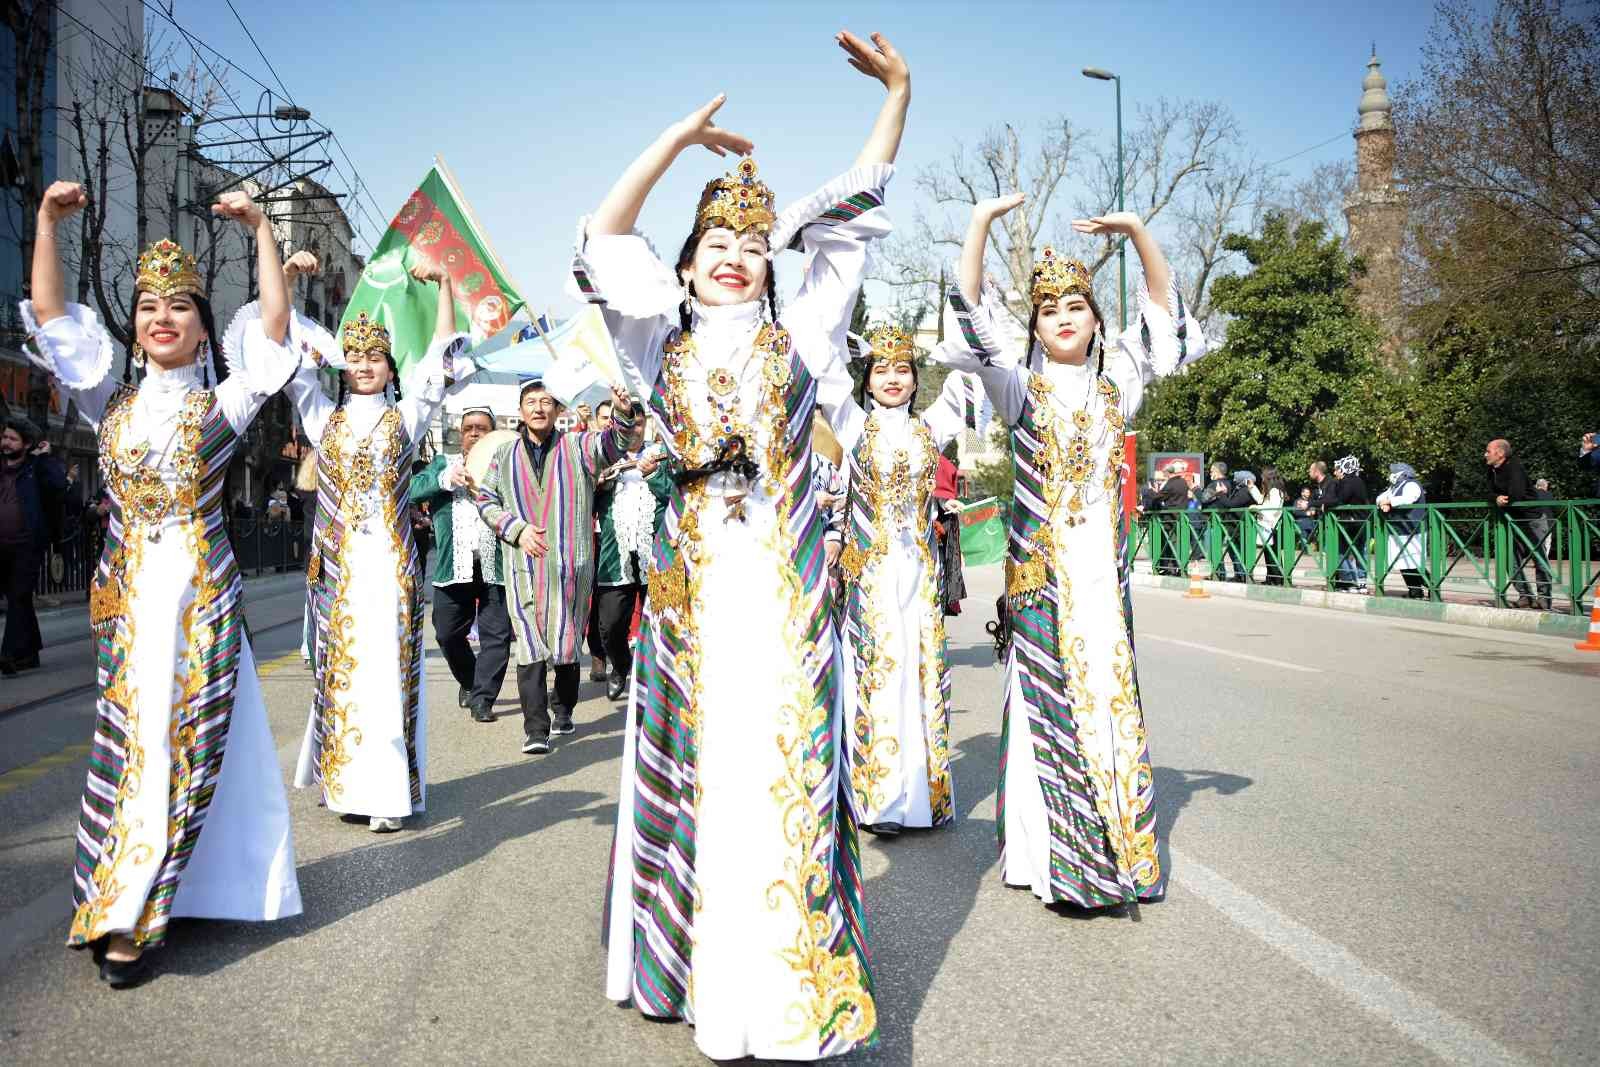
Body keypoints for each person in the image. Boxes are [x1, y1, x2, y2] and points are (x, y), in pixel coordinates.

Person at [576, 29, 907, 1059]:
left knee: (785, 772)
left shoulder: (803, 339)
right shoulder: (655, 343)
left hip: (780, 594)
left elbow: (854, 210)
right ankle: (692, 966)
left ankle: (789, 977)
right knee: (697, 774)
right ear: (684, 264)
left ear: (772, 266)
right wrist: (674, 144)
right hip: (689, 602)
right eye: (714, 242)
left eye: (753, 244)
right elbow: (602, 236)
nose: (733, 251)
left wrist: (897, 93)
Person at [22, 180, 302, 986]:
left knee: (182, 750)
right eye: (148, 305)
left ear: (205, 327)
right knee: (126, 750)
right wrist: (45, 223)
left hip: (199, 599)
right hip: (123, 600)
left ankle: (136, 913)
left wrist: (261, 233)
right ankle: (121, 894)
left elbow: (276, 326)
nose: (162, 316)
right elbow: (50, 319)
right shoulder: (105, 401)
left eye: (181, 305)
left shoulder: (226, 402)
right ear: (134, 324)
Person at [933, 182, 1208, 912]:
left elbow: (1160, 305)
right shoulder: (1018, 387)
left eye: (1076, 306)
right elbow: (969, 307)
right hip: (1041, 577)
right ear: (1036, 322)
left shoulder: (1117, 380)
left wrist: (1139, 229)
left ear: (1094, 317)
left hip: (1101, 577)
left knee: (1111, 700)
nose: (1063, 318)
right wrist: (981, 221)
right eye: (1049, 309)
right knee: (1045, 704)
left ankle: (1116, 843)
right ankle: (1058, 857)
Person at [288, 261, 475, 834]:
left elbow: (442, 361)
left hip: (391, 568)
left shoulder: (404, 419)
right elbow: (292, 361)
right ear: (344, 366)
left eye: (376, 358)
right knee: (344, 675)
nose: (364, 366)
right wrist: (292, 286)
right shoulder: (324, 420)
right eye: (356, 358)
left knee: (388, 675)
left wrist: (444, 284)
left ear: (391, 367)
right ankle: (346, 784)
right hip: (342, 572)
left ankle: (389, 793)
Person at [818, 325, 980, 836]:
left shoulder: (930, 428)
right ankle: (877, 799)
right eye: (881, 369)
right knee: (877, 674)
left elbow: (974, 377)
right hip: (869, 575)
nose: (892, 378)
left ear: (915, 381)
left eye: (903, 369)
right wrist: (847, 341)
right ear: (866, 379)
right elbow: (820, 365)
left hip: (919, 574)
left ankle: (922, 799)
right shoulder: (851, 423)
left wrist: (976, 311)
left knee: (919, 673)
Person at [475, 378, 633, 755]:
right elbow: (485, 499)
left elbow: (614, 445)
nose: (539, 408)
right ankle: (535, 729)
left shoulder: (578, 447)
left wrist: (623, 414)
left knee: (565, 644)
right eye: (531, 402)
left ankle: (564, 708)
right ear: (521, 410)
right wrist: (516, 530)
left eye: (547, 402)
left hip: (569, 568)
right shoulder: (504, 456)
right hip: (524, 566)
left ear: (558, 410)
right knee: (529, 647)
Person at [409, 408, 514, 724]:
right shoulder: (444, 463)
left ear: (493, 433)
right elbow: (412, 489)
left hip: (495, 566)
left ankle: (482, 698)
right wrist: (444, 480)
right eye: (469, 428)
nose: (474, 433)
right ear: (460, 433)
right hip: (453, 568)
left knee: (497, 636)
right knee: (446, 633)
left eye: (482, 428)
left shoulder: (507, 465)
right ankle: (470, 681)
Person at [593, 418, 672, 702]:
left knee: (661, 623)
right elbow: (581, 503)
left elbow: (679, 498)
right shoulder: (602, 459)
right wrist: (596, 485)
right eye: (626, 425)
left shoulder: (663, 456)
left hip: (657, 554)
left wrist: (654, 476)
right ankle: (621, 665)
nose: (632, 431)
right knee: (611, 625)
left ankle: (659, 681)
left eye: (637, 425)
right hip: (616, 557)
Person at [0, 416, 66, 674]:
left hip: (26, 546)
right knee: (21, 600)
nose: (5, 442)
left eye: (12, 439)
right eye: (4, 437)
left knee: (17, 596)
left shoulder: (36, 468)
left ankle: (8, 654)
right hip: (1, 547)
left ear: (27, 444)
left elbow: (59, 485)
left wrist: (46, 457)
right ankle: (30, 651)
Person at [1485, 438, 1552, 609]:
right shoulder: (1491, 470)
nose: (1485, 455)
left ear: (1500, 453)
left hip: (1532, 518)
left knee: (1539, 557)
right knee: (1509, 558)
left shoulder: (1514, 466)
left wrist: (1501, 499)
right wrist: (1496, 498)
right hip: (1512, 519)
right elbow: (1487, 493)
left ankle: (1544, 597)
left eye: (1488, 451)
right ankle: (1525, 595)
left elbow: (1517, 493)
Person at [585, 399, 616, 682]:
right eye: (604, 417)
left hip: (612, 539)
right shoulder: (584, 449)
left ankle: (601, 655)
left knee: (605, 599)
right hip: (583, 535)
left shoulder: (628, 452)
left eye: (613, 417)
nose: (609, 421)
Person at [1376, 462, 1427, 599]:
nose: (1391, 475)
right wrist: (1384, 502)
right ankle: (1415, 591)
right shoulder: (1395, 486)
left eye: (1393, 472)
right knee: (1402, 562)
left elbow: (1409, 498)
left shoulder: (1412, 484)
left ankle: (1431, 586)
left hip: (1413, 529)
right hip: (1399, 530)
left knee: (1414, 562)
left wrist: (1390, 502)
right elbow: (1380, 497)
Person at [1320, 456, 1370, 592]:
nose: (1335, 473)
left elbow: (1340, 499)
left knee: (1338, 550)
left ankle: (1349, 580)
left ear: (1345, 468)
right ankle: (1361, 581)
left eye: (1337, 469)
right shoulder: (1359, 481)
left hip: (1350, 521)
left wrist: (1322, 503)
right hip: (1361, 520)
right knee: (1360, 550)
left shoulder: (1348, 481)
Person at [1250, 466, 1289, 586]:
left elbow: (1271, 509)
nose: (1261, 478)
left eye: (1263, 475)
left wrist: (1256, 508)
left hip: (1272, 526)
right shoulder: (1272, 491)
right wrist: (1252, 488)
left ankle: (1278, 579)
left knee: (1273, 555)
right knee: (1269, 553)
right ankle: (1272, 578)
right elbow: (1262, 501)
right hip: (1268, 526)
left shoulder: (1275, 491)